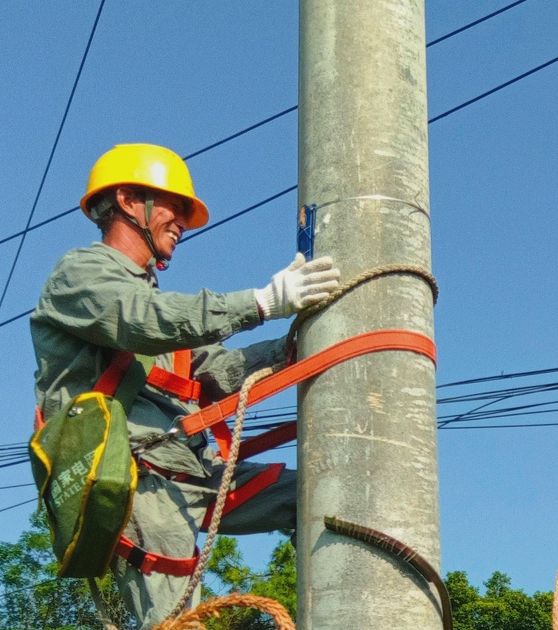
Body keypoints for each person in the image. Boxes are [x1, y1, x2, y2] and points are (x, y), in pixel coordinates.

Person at [30, 143, 339, 626]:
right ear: (131, 201)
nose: (183, 222)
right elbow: (143, 320)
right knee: (177, 623)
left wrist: (300, 344)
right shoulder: (80, 276)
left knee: (322, 495)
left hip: (197, 470)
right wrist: (260, 302)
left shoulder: (159, 308)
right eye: (175, 207)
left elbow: (215, 373)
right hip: (141, 481)